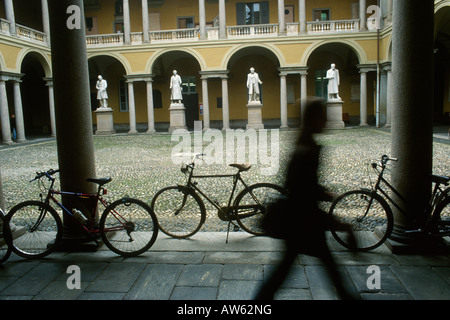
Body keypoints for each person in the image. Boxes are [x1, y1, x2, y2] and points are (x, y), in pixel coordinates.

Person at [255, 98, 356, 300]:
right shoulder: (309, 148)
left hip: (298, 220)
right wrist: (338, 224)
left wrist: (322, 193)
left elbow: (299, 184)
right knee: (326, 268)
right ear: (315, 118)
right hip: (304, 221)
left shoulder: (303, 144)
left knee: (286, 270)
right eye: (323, 116)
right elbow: (304, 191)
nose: (326, 121)